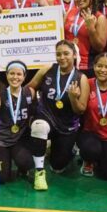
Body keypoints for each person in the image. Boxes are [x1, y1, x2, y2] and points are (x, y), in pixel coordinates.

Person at [26, 41, 89, 189]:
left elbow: (80, 110)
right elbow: (29, 87)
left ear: (74, 55)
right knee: (38, 126)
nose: (62, 57)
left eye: (66, 53)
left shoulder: (81, 78)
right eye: (58, 54)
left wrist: (73, 98)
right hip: (47, 115)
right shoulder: (47, 69)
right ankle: (39, 173)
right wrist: (31, 100)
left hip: (66, 124)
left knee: (57, 167)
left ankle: (67, 149)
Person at [0, 61, 38, 185]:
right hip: (0, 141)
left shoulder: (30, 93)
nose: (15, 77)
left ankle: (20, 166)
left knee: (26, 163)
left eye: (19, 74)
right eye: (12, 73)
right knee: (1, 178)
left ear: (24, 76)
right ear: (6, 75)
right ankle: (5, 161)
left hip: (19, 140)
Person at [78, 53, 107, 180]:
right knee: (91, 149)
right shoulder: (86, 83)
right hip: (89, 133)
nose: (103, 70)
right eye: (99, 66)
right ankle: (88, 160)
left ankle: (100, 158)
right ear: (94, 66)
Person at [65, 0, 107, 75]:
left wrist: (91, 28)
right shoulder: (70, 13)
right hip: (69, 64)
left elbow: (100, 47)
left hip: (88, 67)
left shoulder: (99, 17)